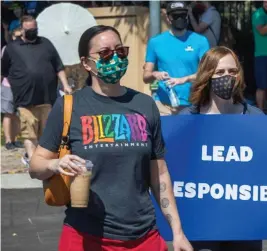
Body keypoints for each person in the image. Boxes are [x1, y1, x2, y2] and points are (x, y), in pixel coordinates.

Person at [29, 25, 192, 251]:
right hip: (85, 237)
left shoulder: (145, 105)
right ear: (86, 63)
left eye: (120, 51)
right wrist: (56, 163)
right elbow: (36, 166)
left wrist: (177, 231)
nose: (114, 58)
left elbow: (160, 175)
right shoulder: (70, 106)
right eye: (105, 53)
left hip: (143, 238)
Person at [180, 46, 267, 251]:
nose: (227, 77)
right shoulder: (188, 120)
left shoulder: (255, 117)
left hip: (245, 226)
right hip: (203, 225)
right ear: (207, 76)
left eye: (232, 72)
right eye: (220, 72)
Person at [1, 15, 72, 166]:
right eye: (29, 30)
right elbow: (3, 71)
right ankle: (34, 162)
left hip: (46, 98)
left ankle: (36, 157)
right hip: (24, 99)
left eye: (35, 29)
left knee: (45, 133)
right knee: (29, 132)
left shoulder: (45, 44)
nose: (33, 32)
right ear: (22, 30)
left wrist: (65, 84)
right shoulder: (12, 48)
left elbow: (58, 66)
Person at [143, 1, 210, 116]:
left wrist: (183, 79)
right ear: (168, 18)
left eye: (183, 15)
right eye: (176, 16)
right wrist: (155, 74)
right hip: (163, 104)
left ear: (187, 16)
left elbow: (207, 73)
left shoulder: (200, 41)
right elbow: (146, 76)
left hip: (193, 104)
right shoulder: (155, 42)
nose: (180, 18)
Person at [1, 28, 23, 150]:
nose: (18, 38)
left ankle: (15, 139)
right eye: (16, 36)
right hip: (8, 85)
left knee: (17, 115)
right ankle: (8, 140)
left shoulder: (25, 49)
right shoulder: (6, 49)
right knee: (8, 113)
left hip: (21, 86)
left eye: (20, 36)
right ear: (12, 37)